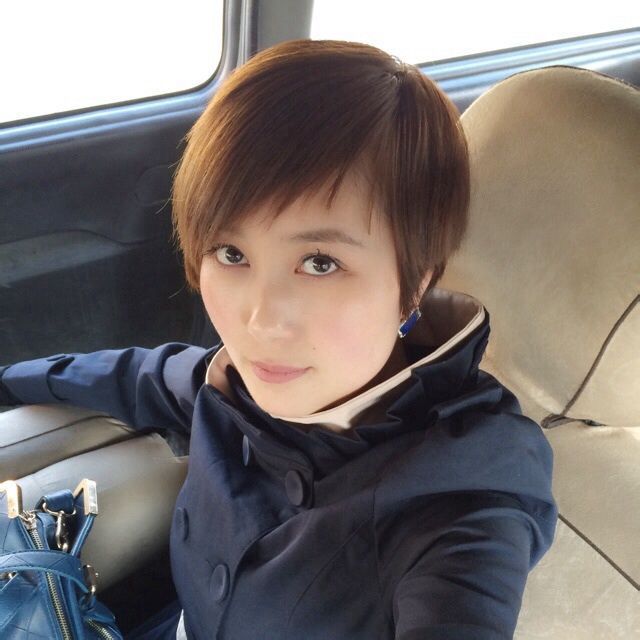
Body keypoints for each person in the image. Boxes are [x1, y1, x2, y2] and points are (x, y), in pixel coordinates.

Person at [0, 39, 558, 639]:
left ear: (415, 282)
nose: (260, 322)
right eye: (231, 252)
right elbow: (135, 375)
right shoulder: (226, 384)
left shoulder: (463, 499)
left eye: (320, 262)